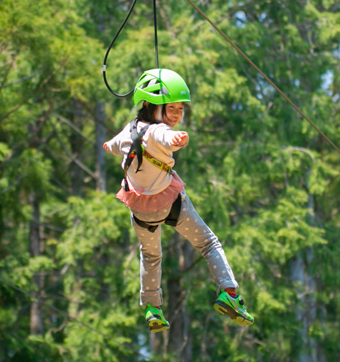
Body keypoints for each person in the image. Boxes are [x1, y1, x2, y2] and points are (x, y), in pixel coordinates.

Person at [103, 68, 254, 332]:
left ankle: (152, 308)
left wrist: (109, 146)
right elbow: (164, 136)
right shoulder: (159, 132)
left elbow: (114, 145)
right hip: (171, 204)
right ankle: (229, 293)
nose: (176, 114)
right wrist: (176, 138)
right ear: (151, 106)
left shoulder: (129, 130)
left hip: (141, 212)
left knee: (150, 255)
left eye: (180, 109)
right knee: (208, 243)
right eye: (171, 108)